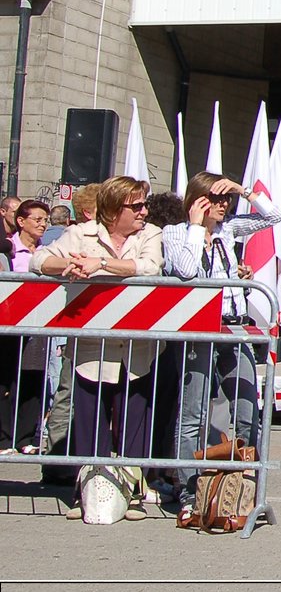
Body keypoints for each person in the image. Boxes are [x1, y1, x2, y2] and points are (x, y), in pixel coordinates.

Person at [31, 176, 163, 517]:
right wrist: (69, 265)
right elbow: (40, 260)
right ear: (112, 209)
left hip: (137, 350)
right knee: (89, 420)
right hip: (90, 348)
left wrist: (102, 264)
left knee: (134, 420)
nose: (143, 211)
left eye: (143, 205)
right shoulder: (80, 233)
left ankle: (132, 492)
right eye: (135, 206)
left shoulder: (150, 234)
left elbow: (150, 267)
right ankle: (88, 489)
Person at [162, 171, 281, 521]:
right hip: (199, 332)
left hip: (233, 329)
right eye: (214, 199)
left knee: (248, 409)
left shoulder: (229, 229)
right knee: (193, 414)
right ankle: (189, 492)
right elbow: (186, 272)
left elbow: (272, 217)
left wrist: (243, 190)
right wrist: (196, 227)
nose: (222, 206)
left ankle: (247, 488)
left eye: (224, 199)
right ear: (197, 201)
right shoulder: (175, 233)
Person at [0, 201, 50, 453]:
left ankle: (25, 438)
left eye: (45, 220)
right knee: (4, 380)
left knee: (32, 378)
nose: (43, 224)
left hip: (37, 324)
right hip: (8, 324)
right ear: (21, 221)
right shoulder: (8, 249)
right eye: (38, 219)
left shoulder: (48, 252)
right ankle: (2, 439)